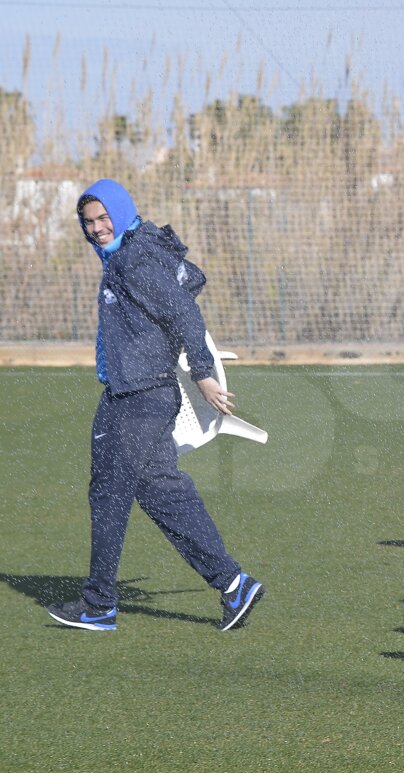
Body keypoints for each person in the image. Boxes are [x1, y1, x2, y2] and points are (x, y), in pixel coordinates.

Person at [46, 179, 264, 632]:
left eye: (103, 218)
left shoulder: (134, 260)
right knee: (163, 493)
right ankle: (234, 585)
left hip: (137, 398)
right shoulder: (133, 250)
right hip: (143, 393)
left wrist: (202, 372)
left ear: (122, 212)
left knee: (109, 495)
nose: (96, 228)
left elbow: (184, 311)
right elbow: (187, 283)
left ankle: (99, 604)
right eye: (88, 222)